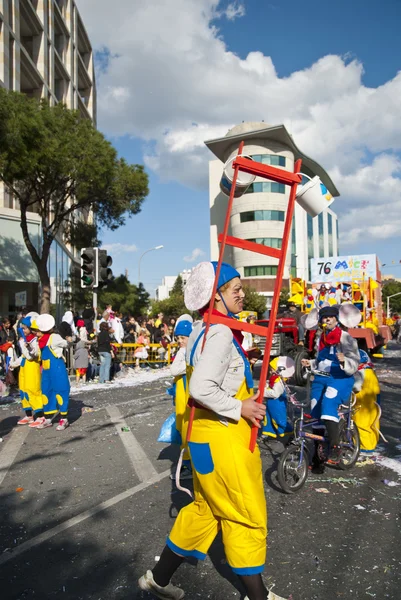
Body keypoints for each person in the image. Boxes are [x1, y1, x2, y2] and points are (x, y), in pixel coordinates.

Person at [139, 261, 285, 600]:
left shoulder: (202, 330)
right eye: (234, 287)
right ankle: (259, 596)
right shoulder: (219, 333)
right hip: (223, 440)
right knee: (243, 512)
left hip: (204, 439)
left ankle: (158, 579)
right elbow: (202, 389)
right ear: (215, 297)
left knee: (206, 510)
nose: (240, 293)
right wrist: (242, 407)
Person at [301, 305, 359, 469]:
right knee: (315, 411)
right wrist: (311, 363)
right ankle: (318, 457)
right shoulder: (322, 338)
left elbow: (355, 362)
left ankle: (335, 447)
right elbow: (322, 362)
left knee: (328, 406)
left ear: (336, 319)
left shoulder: (346, 338)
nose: (327, 320)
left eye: (330, 318)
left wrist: (344, 361)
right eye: (324, 318)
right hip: (324, 376)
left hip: (340, 377)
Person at [35, 314, 71, 430]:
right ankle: (48, 418)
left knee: (61, 390)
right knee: (47, 392)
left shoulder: (54, 337)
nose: (36, 333)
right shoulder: (40, 341)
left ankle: (64, 418)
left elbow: (66, 344)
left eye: (37, 331)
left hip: (57, 368)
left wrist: (69, 339)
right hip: (46, 370)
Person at [168, 315, 193, 481]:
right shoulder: (185, 351)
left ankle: (189, 466)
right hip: (183, 398)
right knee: (185, 430)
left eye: (183, 338)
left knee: (188, 431)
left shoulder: (186, 351)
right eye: (178, 338)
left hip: (189, 400)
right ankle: (189, 464)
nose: (180, 341)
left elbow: (174, 370)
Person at [11, 315, 44, 427]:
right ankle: (29, 415)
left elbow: (30, 356)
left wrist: (22, 346)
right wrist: (14, 364)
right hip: (24, 369)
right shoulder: (26, 340)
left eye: (25, 328)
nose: (23, 330)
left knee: (33, 390)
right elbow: (23, 357)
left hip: (32, 369)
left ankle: (40, 416)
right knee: (24, 391)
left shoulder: (35, 340)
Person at [353, 350, 381, 455]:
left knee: (361, 424)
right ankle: (371, 444)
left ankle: (365, 448)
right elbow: (377, 391)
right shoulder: (370, 371)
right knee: (373, 423)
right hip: (372, 403)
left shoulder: (360, 373)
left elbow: (355, 387)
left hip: (362, 405)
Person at [261, 357, 294, 440]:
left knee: (279, 419)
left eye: (272, 369)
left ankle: (289, 433)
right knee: (268, 418)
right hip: (271, 403)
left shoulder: (279, 381)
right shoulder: (274, 379)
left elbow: (275, 393)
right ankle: (269, 433)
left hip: (277, 404)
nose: (270, 371)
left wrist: (263, 391)